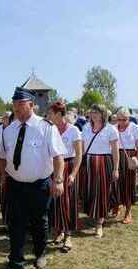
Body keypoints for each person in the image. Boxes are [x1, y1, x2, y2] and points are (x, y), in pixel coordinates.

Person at [0, 87, 65, 269]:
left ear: (32, 105)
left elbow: (58, 157)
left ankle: (40, 254)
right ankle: (15, 263)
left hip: (39, 184)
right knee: (15, 224)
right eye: (14, 104)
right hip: (15, 184)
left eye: (20, 104)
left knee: (39, 221)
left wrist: (58, 180)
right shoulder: (8, 131)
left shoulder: (46, 128)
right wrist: (3, 174)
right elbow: (2, 156)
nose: (16, 107)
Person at [46, 101, 82, 252]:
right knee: (54, 202)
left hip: (67, 168)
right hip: (52, 168)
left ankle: (68, 235)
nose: (48, 116)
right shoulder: (50, 129)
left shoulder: (73, 130)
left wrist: (73, 174)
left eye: (51, 113)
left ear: (59, 114)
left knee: (67, 202)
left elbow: (79, 155)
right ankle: (58, 232)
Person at [81, 104, 119, 238]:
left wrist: (115, 168)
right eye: (92, 112)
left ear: (103, 114)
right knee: (89, 191)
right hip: (88, 162)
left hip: (103, 162)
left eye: (97, 112)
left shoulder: (110, 129)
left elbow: (115, 150)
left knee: (102, 192)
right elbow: (82, 147)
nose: (94, 114)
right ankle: (92, 215)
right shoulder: (85, 127)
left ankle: (99, 224)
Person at [112, 108, 138, 223]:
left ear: (128, 118)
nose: (121, 122)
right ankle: (116, 205)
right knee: (115, 183)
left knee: (128, 185)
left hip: (130, 157)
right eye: (119, 119)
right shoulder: (113, 128)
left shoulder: (134, 127)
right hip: (115, 156)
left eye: (124, 119)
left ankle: (128, 211)